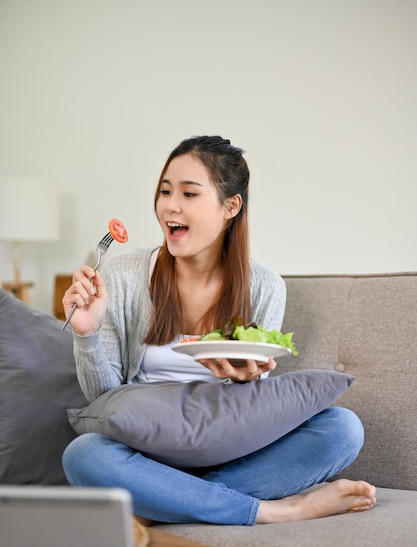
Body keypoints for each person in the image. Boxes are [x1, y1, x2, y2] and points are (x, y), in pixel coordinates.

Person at [62, 135, 376, 525]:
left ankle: (163, 500)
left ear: (231, 206)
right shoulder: (125, 274)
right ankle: (271, 511)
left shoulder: (265, 286)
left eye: (189, 194)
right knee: (84, 454)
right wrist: (87, 334)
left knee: (342, 428)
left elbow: (250, 413)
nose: (169, 206)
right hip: (145, 448)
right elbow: (103, 403)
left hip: (229, 447)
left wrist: (249, 382)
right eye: (164, 191)